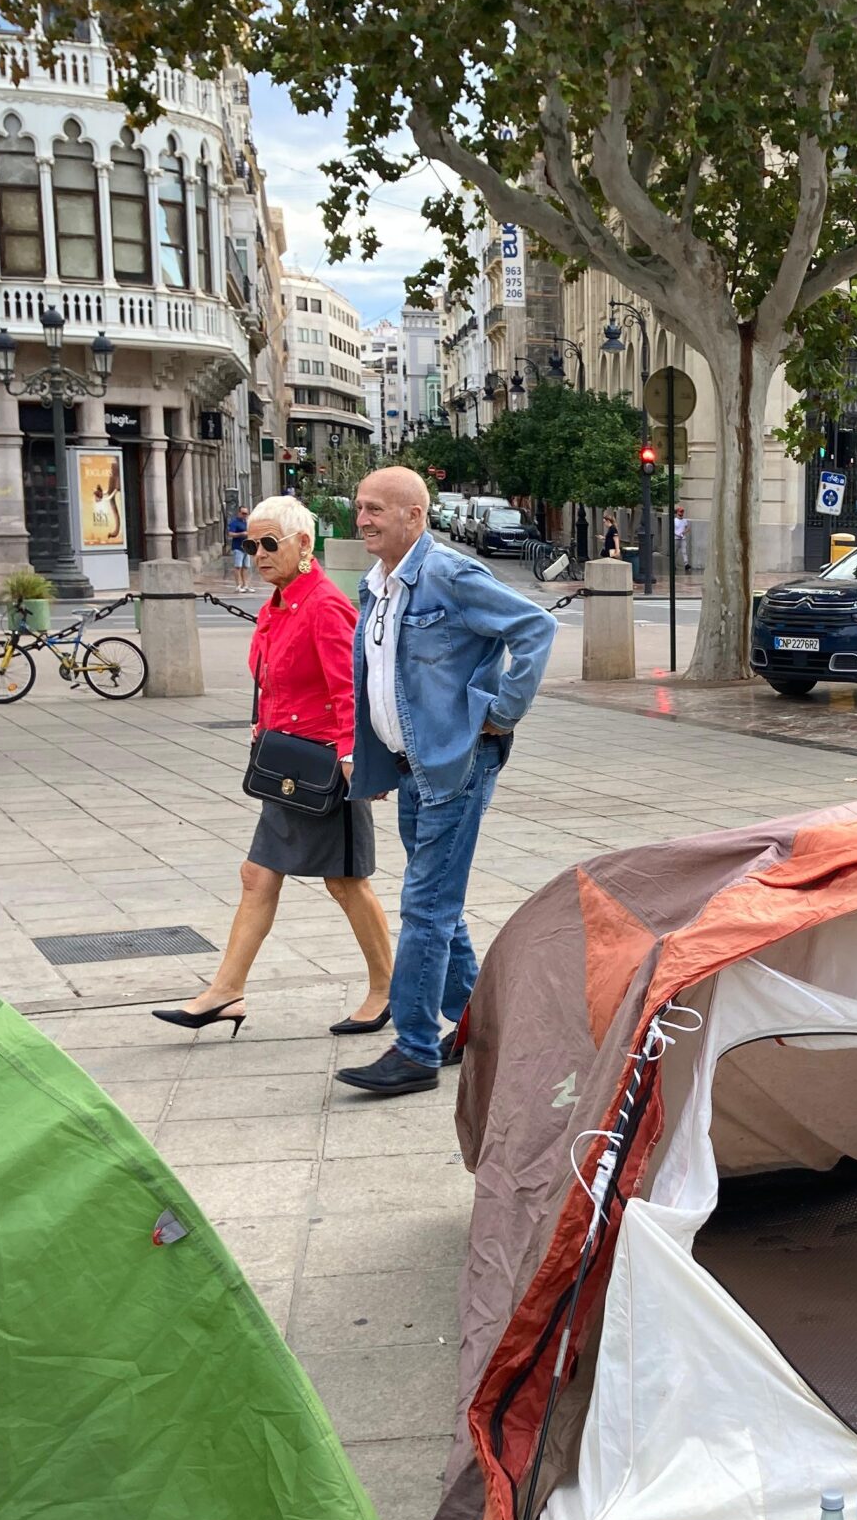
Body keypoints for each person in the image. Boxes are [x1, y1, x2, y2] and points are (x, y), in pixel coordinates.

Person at [338, 466, 557, 1097]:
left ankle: (412, 1050)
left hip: (455, 766)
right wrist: (374, 754)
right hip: (409, 766)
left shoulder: (452, 575)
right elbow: (383, 678)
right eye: (360, 508)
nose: (364, 519)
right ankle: (478, 1024)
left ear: (415, 515)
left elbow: (535, 628)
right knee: (440, 905)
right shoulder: (375, 584)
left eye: (377, 509)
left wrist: (502, 711)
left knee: (426, 908)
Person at [152, 496, 397, 1040]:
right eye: (250, 544)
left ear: (303, 545)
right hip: (289, 765)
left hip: (324, 770)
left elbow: (350, 690)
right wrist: (264, 726)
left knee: (345, 881)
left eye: (269, 544)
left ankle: (387, 989)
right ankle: (226, 991)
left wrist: (355, 760)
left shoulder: (324, 605)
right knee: (258, 875)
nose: (257, 554)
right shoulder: (279, 602)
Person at [227, 504, 252, 590]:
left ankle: (245, 585)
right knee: (238, 566)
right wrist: (241, 534)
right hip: (238, 547)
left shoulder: (247, 522)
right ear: (239, 513)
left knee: (246, 567)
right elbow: (230, 534)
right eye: (243, 513)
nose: (245, 515)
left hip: (246, 547)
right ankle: (238, 585)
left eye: (246, 513)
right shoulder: (234, 522)